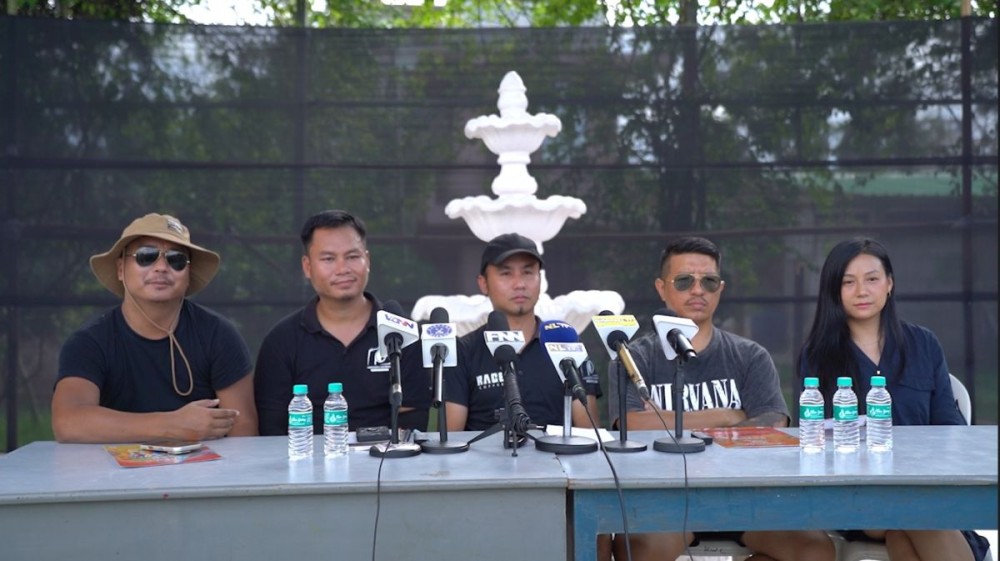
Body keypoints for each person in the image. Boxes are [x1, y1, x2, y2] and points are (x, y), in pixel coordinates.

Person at [607, 236, 835, 561]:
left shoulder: (749, 355)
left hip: (746, 497)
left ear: (721, 289)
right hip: (666, 499)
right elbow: (628, 425)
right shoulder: (632, 358)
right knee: (639, 551)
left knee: (814, 550)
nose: (697, 290)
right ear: (662, 288)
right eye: (684, 281)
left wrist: (667, 422)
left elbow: (774, 423)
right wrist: (728, 416)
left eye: (708, 281)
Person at [797, 237, 990, 561]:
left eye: (872, 279)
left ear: (889, 284)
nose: (861, 290)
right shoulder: (819, 355)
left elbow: (951, 429)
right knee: (918, 515)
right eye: (848, 282)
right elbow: (814, 438)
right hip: (859, 498)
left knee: (907, 531)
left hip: (925, 486)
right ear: (834, 290)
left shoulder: (923, 344)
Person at [53, 213, 257, 443]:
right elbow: (68, 422)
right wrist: (173, 425)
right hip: (112, 476)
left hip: (202, 474)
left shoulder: (219, 335)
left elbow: (244, 429)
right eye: (146, 256)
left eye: (176, 259)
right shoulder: (89, 342)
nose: (161, 267)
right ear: (121, 269)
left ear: (188, 275)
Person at [254, 209, 431, 435]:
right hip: (309, 463)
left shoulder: (402, 334)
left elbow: (413, 419)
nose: (342, 269)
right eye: (328, 259)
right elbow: (272, 428)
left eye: (352, 257)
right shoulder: (281, 341)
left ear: (367, 260)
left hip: (386, 463)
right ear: (307, 267)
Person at [444, 232, 601, 432]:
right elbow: (451, 441)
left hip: (556, 460)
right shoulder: (463, 351)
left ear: (540, 279)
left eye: (528, 272)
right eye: (506, 273)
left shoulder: (567, 345)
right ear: (483, 283)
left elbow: (591, 432)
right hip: (484, 462)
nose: (520, 284)